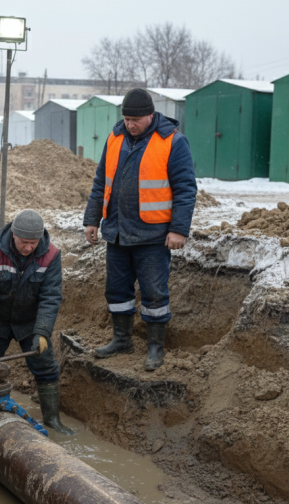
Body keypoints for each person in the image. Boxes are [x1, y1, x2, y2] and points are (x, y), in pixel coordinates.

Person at [83, 88, 197, 371]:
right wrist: (92, 219)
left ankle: (156, 347)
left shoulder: (173, 141)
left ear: (150, 115)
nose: (130, 124)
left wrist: (179, 229)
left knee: (154, 293)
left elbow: (185, 189)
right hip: (117, 231)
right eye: (126, 119)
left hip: (153, 234)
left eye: (135, 120)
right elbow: (101, 182)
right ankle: (122, 340)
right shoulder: (115, 137)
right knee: (117, 290)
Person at [0, 209, 74, 435]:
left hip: (30, 322)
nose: (28, 248)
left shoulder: (51, 255)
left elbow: (51, 297)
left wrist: (42, 331)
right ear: (13, 235)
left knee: (46, 366)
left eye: (33, 243)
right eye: (24, 242)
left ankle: (52, 420)